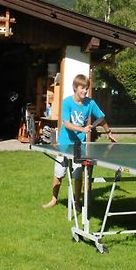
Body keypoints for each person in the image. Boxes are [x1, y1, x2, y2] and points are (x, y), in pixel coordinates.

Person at [42, 74, 117, 211]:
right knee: (59, 172)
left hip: (79, 145)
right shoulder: (67, 102)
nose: (84, 91)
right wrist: (82, 128)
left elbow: (102, 118)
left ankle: (76, 202)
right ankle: (54, 199)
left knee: (78, 174)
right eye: (82, 88)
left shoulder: (90, 103)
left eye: (86, 89)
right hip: (64, 143)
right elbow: (67, 124)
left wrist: (109, 132)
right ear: (75, 88)